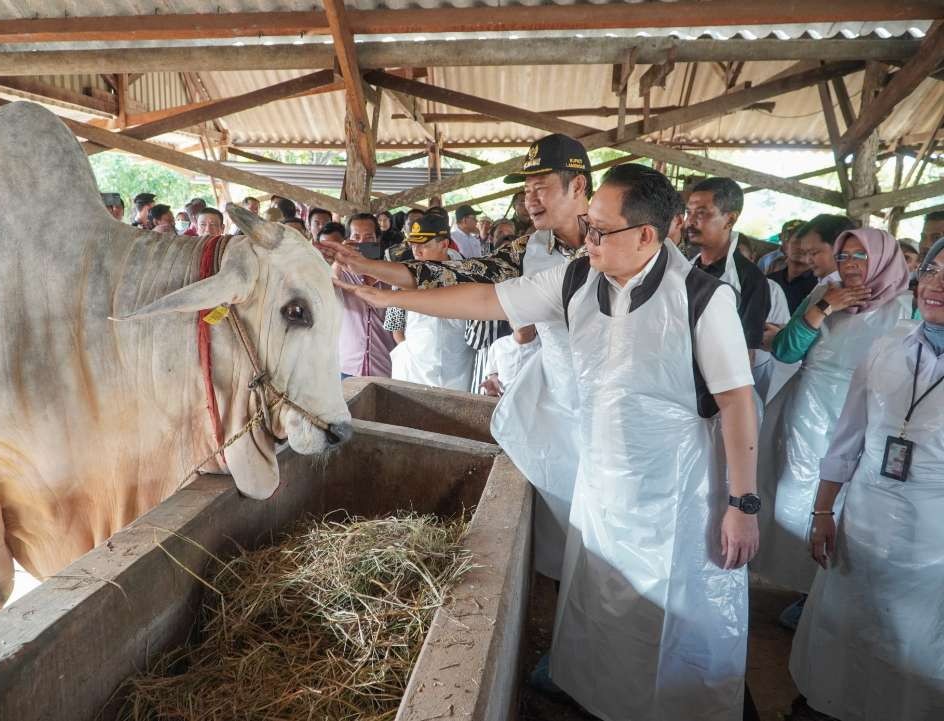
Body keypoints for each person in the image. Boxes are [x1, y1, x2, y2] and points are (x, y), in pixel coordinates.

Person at [335, 163, 761, 721]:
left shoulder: (704, 300)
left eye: (600, 231)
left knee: (678, 622)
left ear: (646, 236)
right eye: (589, 227)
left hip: (680, 495)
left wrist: (741, 504)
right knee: (607, 611)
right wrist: (385, 297)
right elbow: (485, 300)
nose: (588, 241)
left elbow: (737, 403)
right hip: (603, 476)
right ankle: (603, 703)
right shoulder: (576, 279)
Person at [318, 133, 591, 582]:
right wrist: (370, 268)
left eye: (542, 187)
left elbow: (486, 303)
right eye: (526, 190)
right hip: (557, 390)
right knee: (557, 503)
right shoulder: (531, 247)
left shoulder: (607, 244)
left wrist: (389, 299)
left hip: (602, 389)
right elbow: (459, 273)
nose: (530, 200)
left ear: (578, 186)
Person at [788, 237, 944, 721]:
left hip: (933, 532)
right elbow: (847, 438)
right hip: (863, 513)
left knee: (915, 636)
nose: (937, 286)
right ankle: (830, 704)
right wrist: (822, 510)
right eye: (935, 270)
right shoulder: (887, 345)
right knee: (845, 623)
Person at [754, 228, 911, 629]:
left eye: (860, 257)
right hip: (807, 413)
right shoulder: (825, 293)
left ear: (882, 258)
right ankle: (807, 589)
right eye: (844, 257)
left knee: (849, 508)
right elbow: (787, 348)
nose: (850, 266)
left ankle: (831, 597)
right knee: (796, 498)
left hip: (867, 418)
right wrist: (824, 306)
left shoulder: (904, 308)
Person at [686, 177, 772, 400]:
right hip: (679, 385)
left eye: (702, 213)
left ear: (730, 219)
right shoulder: (686, 269)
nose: (690, 221)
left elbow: (746, 354)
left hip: (715, 395)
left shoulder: (749, 279)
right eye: (689, 212)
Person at [382, 214, 475, 391]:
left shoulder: (470, 273)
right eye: (413, 244)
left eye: (424, 245)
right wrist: (407, 351)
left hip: (460, 367)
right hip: (414, 368)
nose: (417, 251)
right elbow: (395, 324)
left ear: (444, 244)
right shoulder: (404, 274)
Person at [330, 218, 395, 379]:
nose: (361, 243)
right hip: (347, 368)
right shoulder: (341, 275)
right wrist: (340, 257)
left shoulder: (391, 275)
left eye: (368, 238)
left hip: (386, 367)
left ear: (378, 240)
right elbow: (327, 288)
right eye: (356, 237)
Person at [479, 325, 539, 397]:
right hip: (504, 403)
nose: (521, 319)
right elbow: (492, 373)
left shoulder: (545, 349)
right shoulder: (498, 346)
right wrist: (493, 383)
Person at [798, 214, 856, 286]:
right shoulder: (824, 280)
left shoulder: (851, 288)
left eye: (814, 253)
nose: (807, 260)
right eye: (805, 253)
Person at [767, 236, 817, 313]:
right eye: (796, 242)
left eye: (807, 243)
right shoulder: (770, 280)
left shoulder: (817, 286)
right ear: (786, 247)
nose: (801, 247)